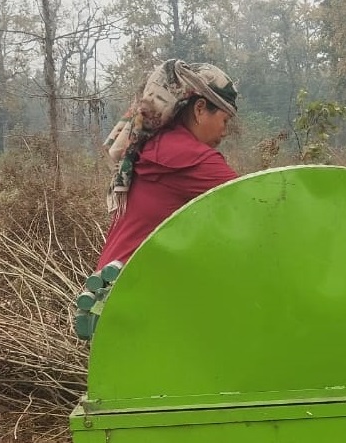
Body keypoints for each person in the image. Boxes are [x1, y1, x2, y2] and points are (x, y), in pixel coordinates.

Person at [74, 59, 238, 337]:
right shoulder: (188, 156)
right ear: (200, 109)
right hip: (133, 299)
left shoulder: (155, 144)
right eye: (224, 120)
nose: (225, 132)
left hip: (109, 293)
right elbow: (257, 201)